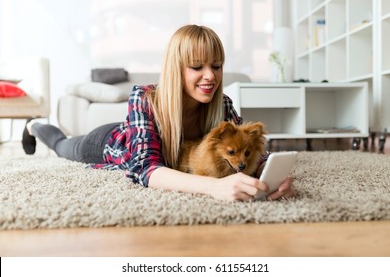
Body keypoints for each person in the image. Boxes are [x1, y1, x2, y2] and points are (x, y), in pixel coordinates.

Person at [22, 24, 295, 201]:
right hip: (110, 142)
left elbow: (249, 147)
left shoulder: (222, 104)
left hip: (132, 136)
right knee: (63, 146)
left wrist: (270, 175)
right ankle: (34, 126)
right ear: (177, 68)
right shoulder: (145, 98)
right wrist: (214, 187)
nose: (210, 76)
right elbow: (145, 169)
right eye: (197, 66)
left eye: (217, 65)